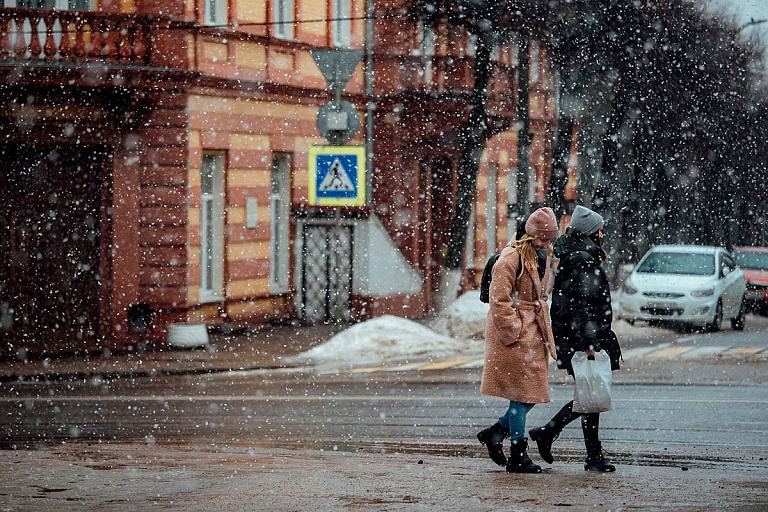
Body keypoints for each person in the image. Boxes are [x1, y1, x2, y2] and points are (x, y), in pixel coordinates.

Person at [528, 205, 622, 472]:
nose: (603, 234)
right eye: (600, 230)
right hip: (582, 337)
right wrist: (589, 343)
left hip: (578, 336)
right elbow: (582, 306)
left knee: (588, 396)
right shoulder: (583, 258)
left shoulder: (580, 255)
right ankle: (579, 449)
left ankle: (551, 434)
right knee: (590, 396)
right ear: (591, 232)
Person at [477, 207, 559, 473]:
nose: (546, 245)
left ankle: (495, 432)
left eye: (548, 240)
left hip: (531, 332)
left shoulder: (536, 256)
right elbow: (499, 300)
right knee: (520, 394)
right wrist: (514, 328)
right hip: (515, 335)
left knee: (531, 393)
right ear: (530, 235)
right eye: (543, 239)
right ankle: (518, 454)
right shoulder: (510, 258)